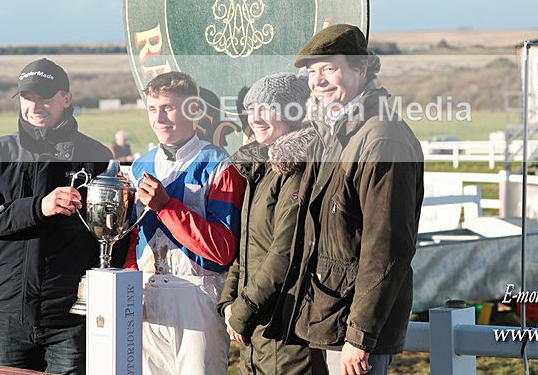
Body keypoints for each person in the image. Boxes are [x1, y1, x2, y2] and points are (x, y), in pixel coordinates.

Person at [274, 24, 425, 375]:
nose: (318, 81)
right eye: (312, 72)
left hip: (351, 329)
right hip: (326, 315)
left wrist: (360, 336)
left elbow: (386, 246)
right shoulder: (335, 132)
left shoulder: (382, 139)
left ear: (360, 68)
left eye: (329, 68)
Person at [0, 58, 114, 375]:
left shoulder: (97, 156)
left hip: (70, 315)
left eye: (45, 96)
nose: (35, 105)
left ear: (67, 98)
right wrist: (37, 208)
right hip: (10, 311)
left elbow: (109, 233)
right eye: (28, 97)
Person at [124, 71, 247, 375]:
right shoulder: (139, 166)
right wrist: (129, 286)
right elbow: (131, 238)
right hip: (147, 292)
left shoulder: (219, 165)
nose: (159, 118)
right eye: (152, 108)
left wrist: (167, 207)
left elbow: (222, 250)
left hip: (197, 294)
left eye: (168, 108)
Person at [218, 72, 327, 374]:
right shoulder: (260, 171)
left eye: (266, 108)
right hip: (257, 328)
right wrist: (228, 302)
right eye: (251, 108)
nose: (255, 118)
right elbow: (247, 250)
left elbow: (284, 253)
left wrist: (242, 310)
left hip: (284, 329)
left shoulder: (295, 171)